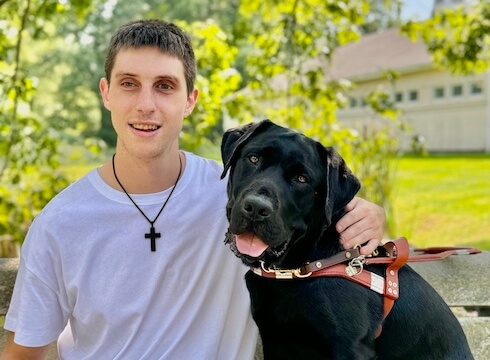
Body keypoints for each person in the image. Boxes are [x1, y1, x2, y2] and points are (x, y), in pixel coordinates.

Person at [0, 19, 385, 360]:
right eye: (129, 84)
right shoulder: (59, 224)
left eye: (165, 86)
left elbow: (310, 198)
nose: (145, 104)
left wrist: (363, 212)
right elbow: (22, 352)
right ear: (106, 93)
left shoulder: (237, 198)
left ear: (190, 100)